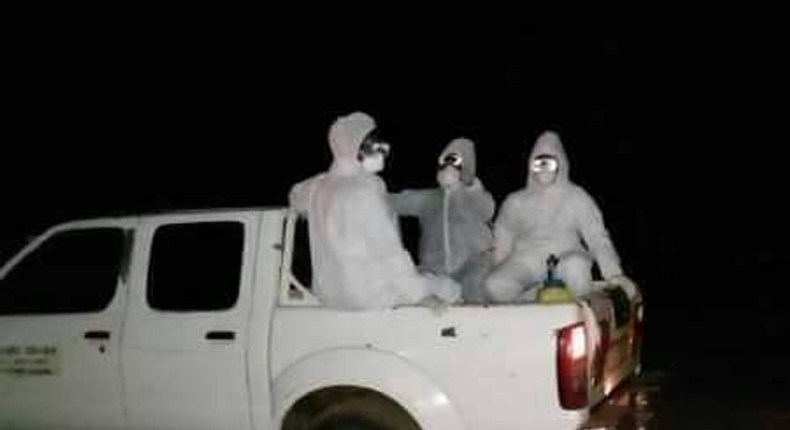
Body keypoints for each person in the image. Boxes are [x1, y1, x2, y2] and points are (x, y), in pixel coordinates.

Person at [289, 112, 461, 310]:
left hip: (332, 294)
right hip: (372, 294)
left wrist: (330, 176)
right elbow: (387, 251)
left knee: (430, 277)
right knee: (450, 288)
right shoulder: (364, 190)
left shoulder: (319, 187)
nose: (384, 153)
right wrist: (420, 296)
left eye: (384, 147)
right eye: (377, 147)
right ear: (355, 149)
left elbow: (296, 196)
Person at [484, 130, 631, 302]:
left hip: (566, 255)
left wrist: (614, 274)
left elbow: (596, 235)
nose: (544, 168)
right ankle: (530, 305)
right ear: (531, 164)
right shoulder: (516, 201)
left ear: (560, 163)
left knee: (576, 267)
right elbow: (503, 235)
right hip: (525, 260)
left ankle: (580, 316)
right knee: (495, 284)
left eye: (550, 162)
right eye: (539, 162)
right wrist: (497, 266)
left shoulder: (576, 196)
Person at [391, 138, 495, 303]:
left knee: (473, 288)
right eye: (444, 164)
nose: (448, 168)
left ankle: (480, 325)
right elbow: (397, 201)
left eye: (454, 163)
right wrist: (370, 191)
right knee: (418, 289)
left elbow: (486, 209)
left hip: (471, 265)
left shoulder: (474, 197)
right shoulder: (429, 199)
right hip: (437, 271)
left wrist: (469, 184)